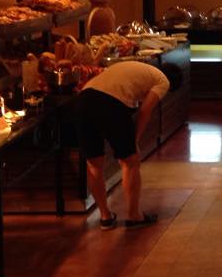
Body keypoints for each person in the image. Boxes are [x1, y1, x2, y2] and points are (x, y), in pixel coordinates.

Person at [76, 61, 182, 230]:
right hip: (109, 103)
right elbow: (145, 111)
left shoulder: (141, 69)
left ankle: (105, 217)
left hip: (83, 100)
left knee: (94, 163)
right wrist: (134, 140)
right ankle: (134, 216)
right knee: (130, 162)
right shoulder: (163, 80)